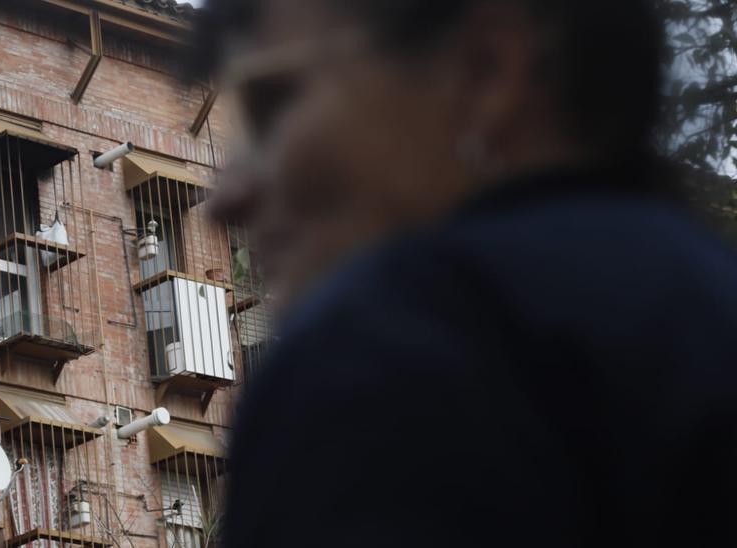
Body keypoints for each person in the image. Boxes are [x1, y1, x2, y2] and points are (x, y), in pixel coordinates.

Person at [199, 0, 737, 546]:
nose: (225, 197)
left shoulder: (388, 352)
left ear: (488, 70)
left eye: (274, 104)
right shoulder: (705, 308)